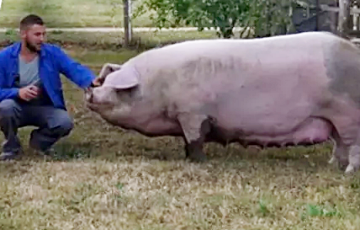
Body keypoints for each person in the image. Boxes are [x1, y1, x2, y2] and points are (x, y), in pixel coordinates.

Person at [0, 14, 101, 160]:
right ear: (23, 34)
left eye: (43, 34)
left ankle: (39, 143)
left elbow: (72, 68)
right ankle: (11, 147)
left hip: (44, 106)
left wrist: (91, 80)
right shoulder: (4, 58)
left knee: (64, 122)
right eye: (37, 34)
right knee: (5, 108)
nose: (42, 39)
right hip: (16, 105)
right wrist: (17, 92)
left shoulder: (52, 53)